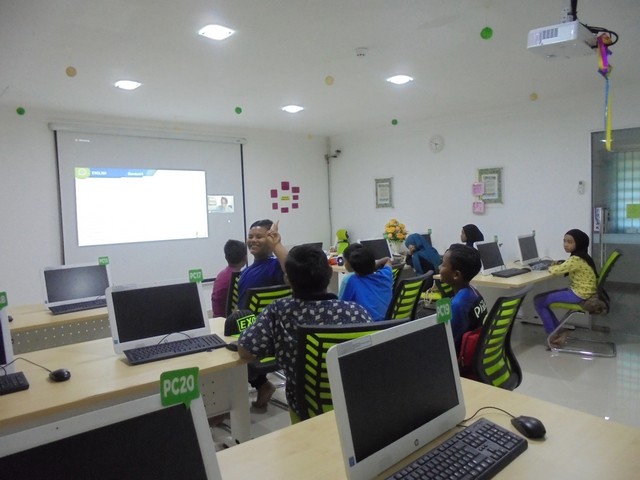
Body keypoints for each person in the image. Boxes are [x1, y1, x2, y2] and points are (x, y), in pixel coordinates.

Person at [238, 244, 372, 422]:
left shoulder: (279, 312)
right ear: (329, 274)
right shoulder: (356, 312)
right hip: (354, 409)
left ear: (288, 280)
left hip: (306, 412)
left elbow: (246, 350)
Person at [237, 219, 288, 407]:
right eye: (250, 236)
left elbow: (291, 271)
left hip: (259, 337)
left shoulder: (275, 267)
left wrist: (277, 245)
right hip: (257, 333)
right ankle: (262, 384)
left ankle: (226, 405)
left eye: (259, 236)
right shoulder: (247, 271)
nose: (253, 240)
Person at [533, 229, 597, 346]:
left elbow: (556, 271)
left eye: (570, 242)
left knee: (539, 301)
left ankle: (553, 335)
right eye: (564, 241)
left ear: (579, 243)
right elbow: (566, 265)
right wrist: (559, 263)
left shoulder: (576, 259)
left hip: (578, 294)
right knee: (539, 299)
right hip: (583, 292)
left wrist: (548, 266)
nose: (565, 244)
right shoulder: (582, 256)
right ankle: (559, 330)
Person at [438, 244, 488, 355]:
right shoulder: (473, 292)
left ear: (456, 275)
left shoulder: (458, 304)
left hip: (458, 358)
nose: (439, 267)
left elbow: (447, 342)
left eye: (443, 264)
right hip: (477, 353)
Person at [339, 246, 393, 321]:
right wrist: (371, 265)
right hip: (387, 323)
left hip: (367, 324)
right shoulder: (385, 274)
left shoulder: (352, 280)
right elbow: (387, 259)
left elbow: (341, 307)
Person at [211, 239, 247, 317]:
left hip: (218, 318)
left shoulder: (221, 275)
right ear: (245, 258)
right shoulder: (239, 277)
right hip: (230, 320)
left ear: (226, 257)